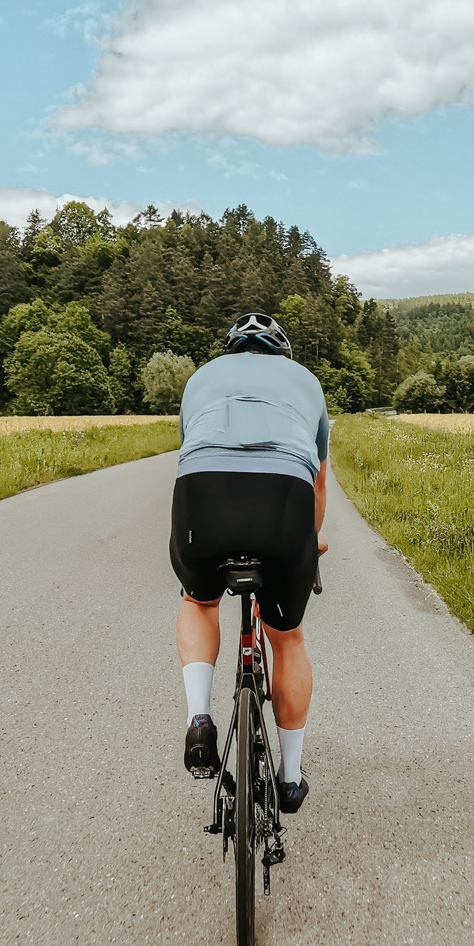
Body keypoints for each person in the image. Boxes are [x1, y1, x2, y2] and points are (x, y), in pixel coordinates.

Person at [170, 311, 330, 813]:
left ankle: (199, 718)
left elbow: (190, 451)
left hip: (202, 497)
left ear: (232, 349)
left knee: (199, 602)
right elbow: (318, 484)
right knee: (288, 639)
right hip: (284, 500)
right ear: (281, 352)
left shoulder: (201, 378)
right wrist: (312, 540)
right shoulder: (306, 381)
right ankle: (289, 777)